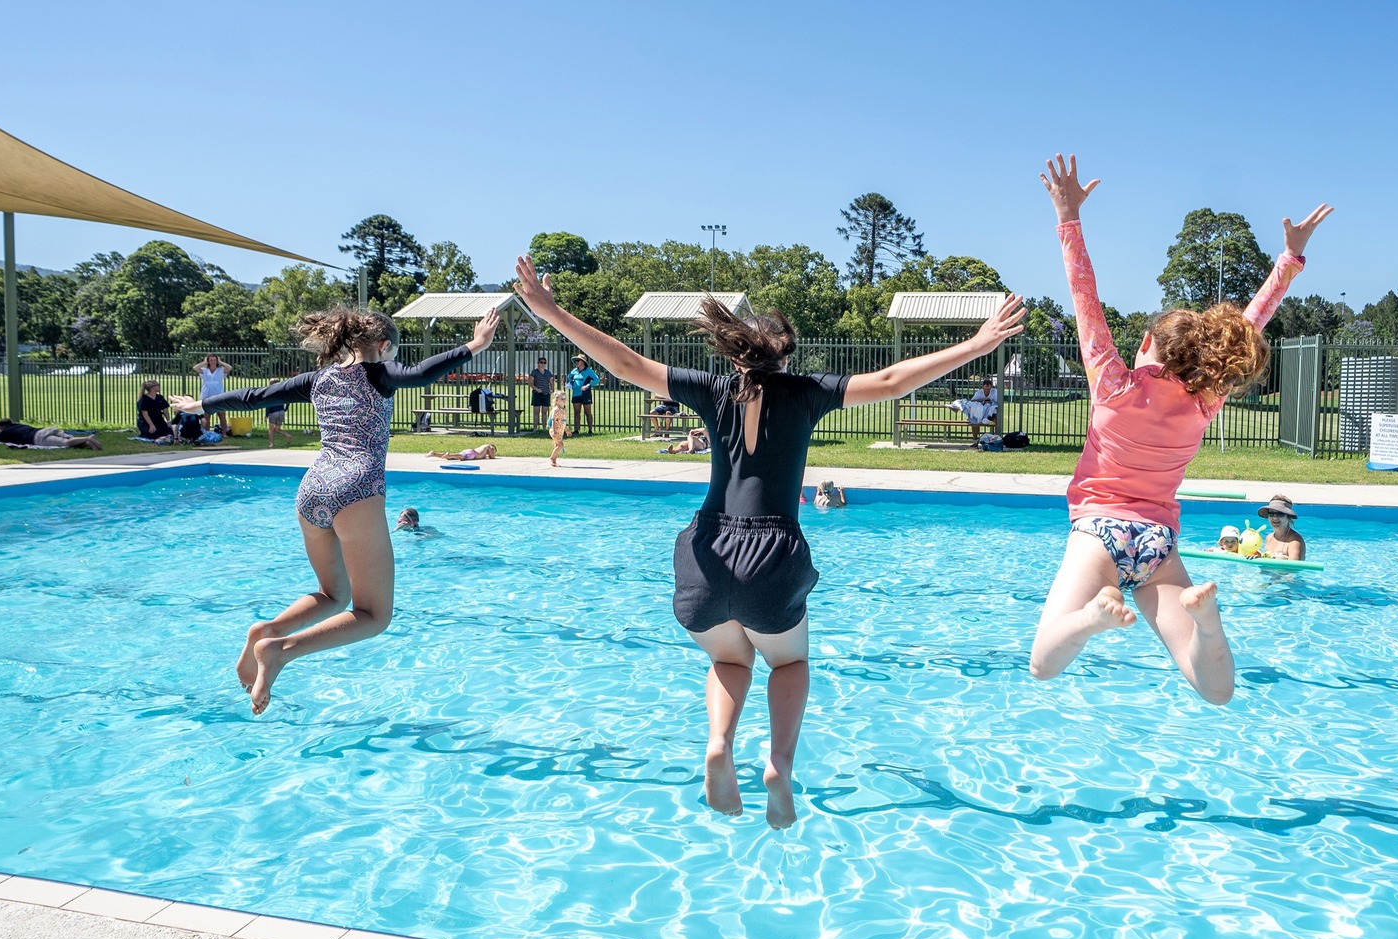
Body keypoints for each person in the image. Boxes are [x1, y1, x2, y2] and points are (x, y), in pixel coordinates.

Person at [517, 253, 1024, 827]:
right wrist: (977, 345)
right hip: (772, 555)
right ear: (785, 354)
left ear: (733, 353)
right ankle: (778, 764)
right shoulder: (805, 393)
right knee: (788, 664)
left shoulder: (710, 389)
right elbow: (889, 381)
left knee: (730, 660)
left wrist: (552, 310)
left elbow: (625, 362)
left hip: (706, 553)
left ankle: (719, 746)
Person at [1028, 154, 1327, 702]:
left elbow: (1082, 291)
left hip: (1100, 531)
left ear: (1145, 345)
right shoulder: (1201, 400)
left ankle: (1091, 620)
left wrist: (1067, 216)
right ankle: (1209, 625)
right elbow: (1248, 324)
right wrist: (1288, 259)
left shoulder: (1112, 383)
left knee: (1046, 660)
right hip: (1158, 543)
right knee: (1215, 691)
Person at [170, 304, 499, 713]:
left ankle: (266, 630)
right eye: (391, 353)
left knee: (333, 594)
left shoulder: (319, 378)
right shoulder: (377, 372)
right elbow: (422, 374)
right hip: (356, 488)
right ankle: (279, 649)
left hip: (313, 489)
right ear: (382, 346)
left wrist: (202, 407)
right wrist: (475, 344)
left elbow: (256, 397)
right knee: (374, 615)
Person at [0, 419, 102, 450]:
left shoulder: (5, 433)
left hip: (38, 438)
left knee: (66, 443)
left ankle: (89, 438)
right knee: (73, 440)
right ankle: (88, 442)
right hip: (46, 430)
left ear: (1, 427)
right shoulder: (17, 425)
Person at [194, 354, 235, 435]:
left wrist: (220, 362)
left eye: (214, 360)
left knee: (221, 414)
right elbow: (195, 368)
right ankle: (207, 433)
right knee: (207, 415)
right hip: (206, 396)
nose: (213, 362)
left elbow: (229, 368)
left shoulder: (221, 370)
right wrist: (204, 362)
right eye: (211, 360)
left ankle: (224, 433)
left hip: (219, 395)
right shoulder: (205, 370)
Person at [1258, 496, 1306, 561]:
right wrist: (1258, 556)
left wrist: (1283, 561)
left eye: (1280, 514)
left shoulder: (1295, 541)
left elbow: (1294, 569)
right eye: (1271, 514)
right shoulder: (1269, 538)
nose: (1275, 518)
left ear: (1289, 518)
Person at [567, 354, 599, 437]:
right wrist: (571, 382)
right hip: (575, 394)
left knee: (587, 412)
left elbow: (596, 379)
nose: (576, 362)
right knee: (576, 412)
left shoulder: (589, 371)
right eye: (576, 360)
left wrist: (587, 386)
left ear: (583, 362)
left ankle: (590, 430)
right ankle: (576, 430)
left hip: (586, 394)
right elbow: (569, 377)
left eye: (578, 360)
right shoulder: (574, 371)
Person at [529, 356, 554, 433]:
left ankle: (544, 428)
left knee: (544, 412)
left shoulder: (548, 372)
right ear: (538, 363)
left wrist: (552, 390)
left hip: (546, 394)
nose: (543, 364)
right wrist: (537, 389)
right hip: (537, 394)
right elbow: (530, 383)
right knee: (536, 411)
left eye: (544, 362)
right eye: (541, 362)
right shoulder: (534, 372)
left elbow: (552, 383)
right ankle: (535, 428)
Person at [547, 388, 571, 467]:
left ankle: (554, 461)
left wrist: (566, 430)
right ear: (557, 400)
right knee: (560, 445)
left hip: (560, 431)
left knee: (557, 446)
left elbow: (563, 421)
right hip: (556, 430)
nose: (564, 400)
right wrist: (554, 431)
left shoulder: (563, 410)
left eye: (565, 398)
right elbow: (554, 420)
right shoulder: (556, 410)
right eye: (562, 399)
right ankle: (551, 458)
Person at [427, 443, 497, 461]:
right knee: (461, 457)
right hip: (472, 453)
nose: (492, 452)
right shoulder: (488, 446)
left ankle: (434, 454)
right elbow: (492, 457)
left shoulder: (483, 451)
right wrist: (492, 454)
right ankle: (449, 455)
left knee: (456, 456)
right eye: (494, 450)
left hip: (470, 452)